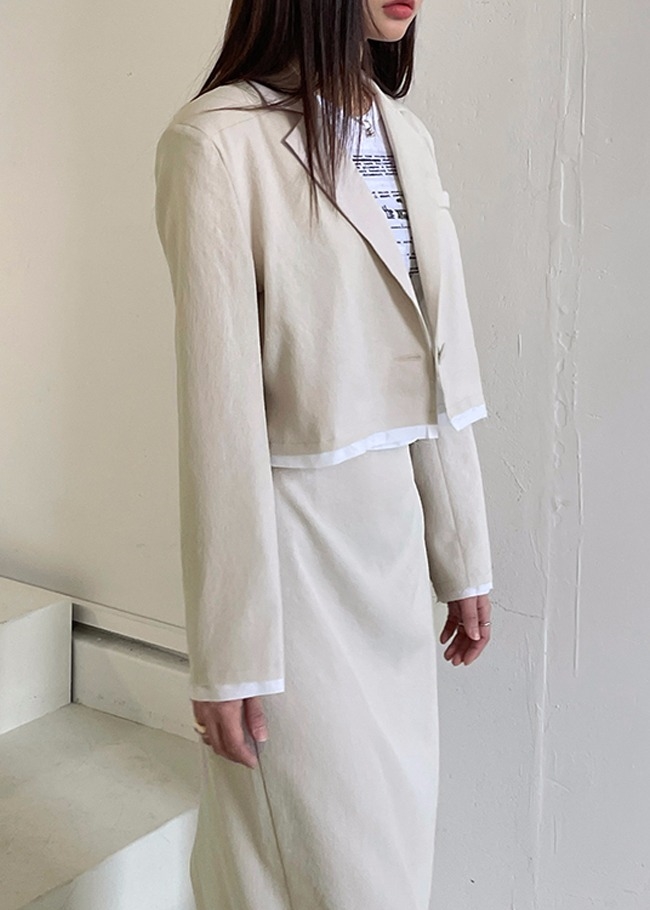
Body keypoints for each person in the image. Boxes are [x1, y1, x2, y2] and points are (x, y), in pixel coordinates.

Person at [154, 0, 494, 907]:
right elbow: (217, 415)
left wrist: (463, 556)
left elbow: (435, 362)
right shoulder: (214, 145)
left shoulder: (405, 137)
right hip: (294, 570)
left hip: (393, 568)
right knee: (330, 873)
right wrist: (229, 651)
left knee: (386, 868)